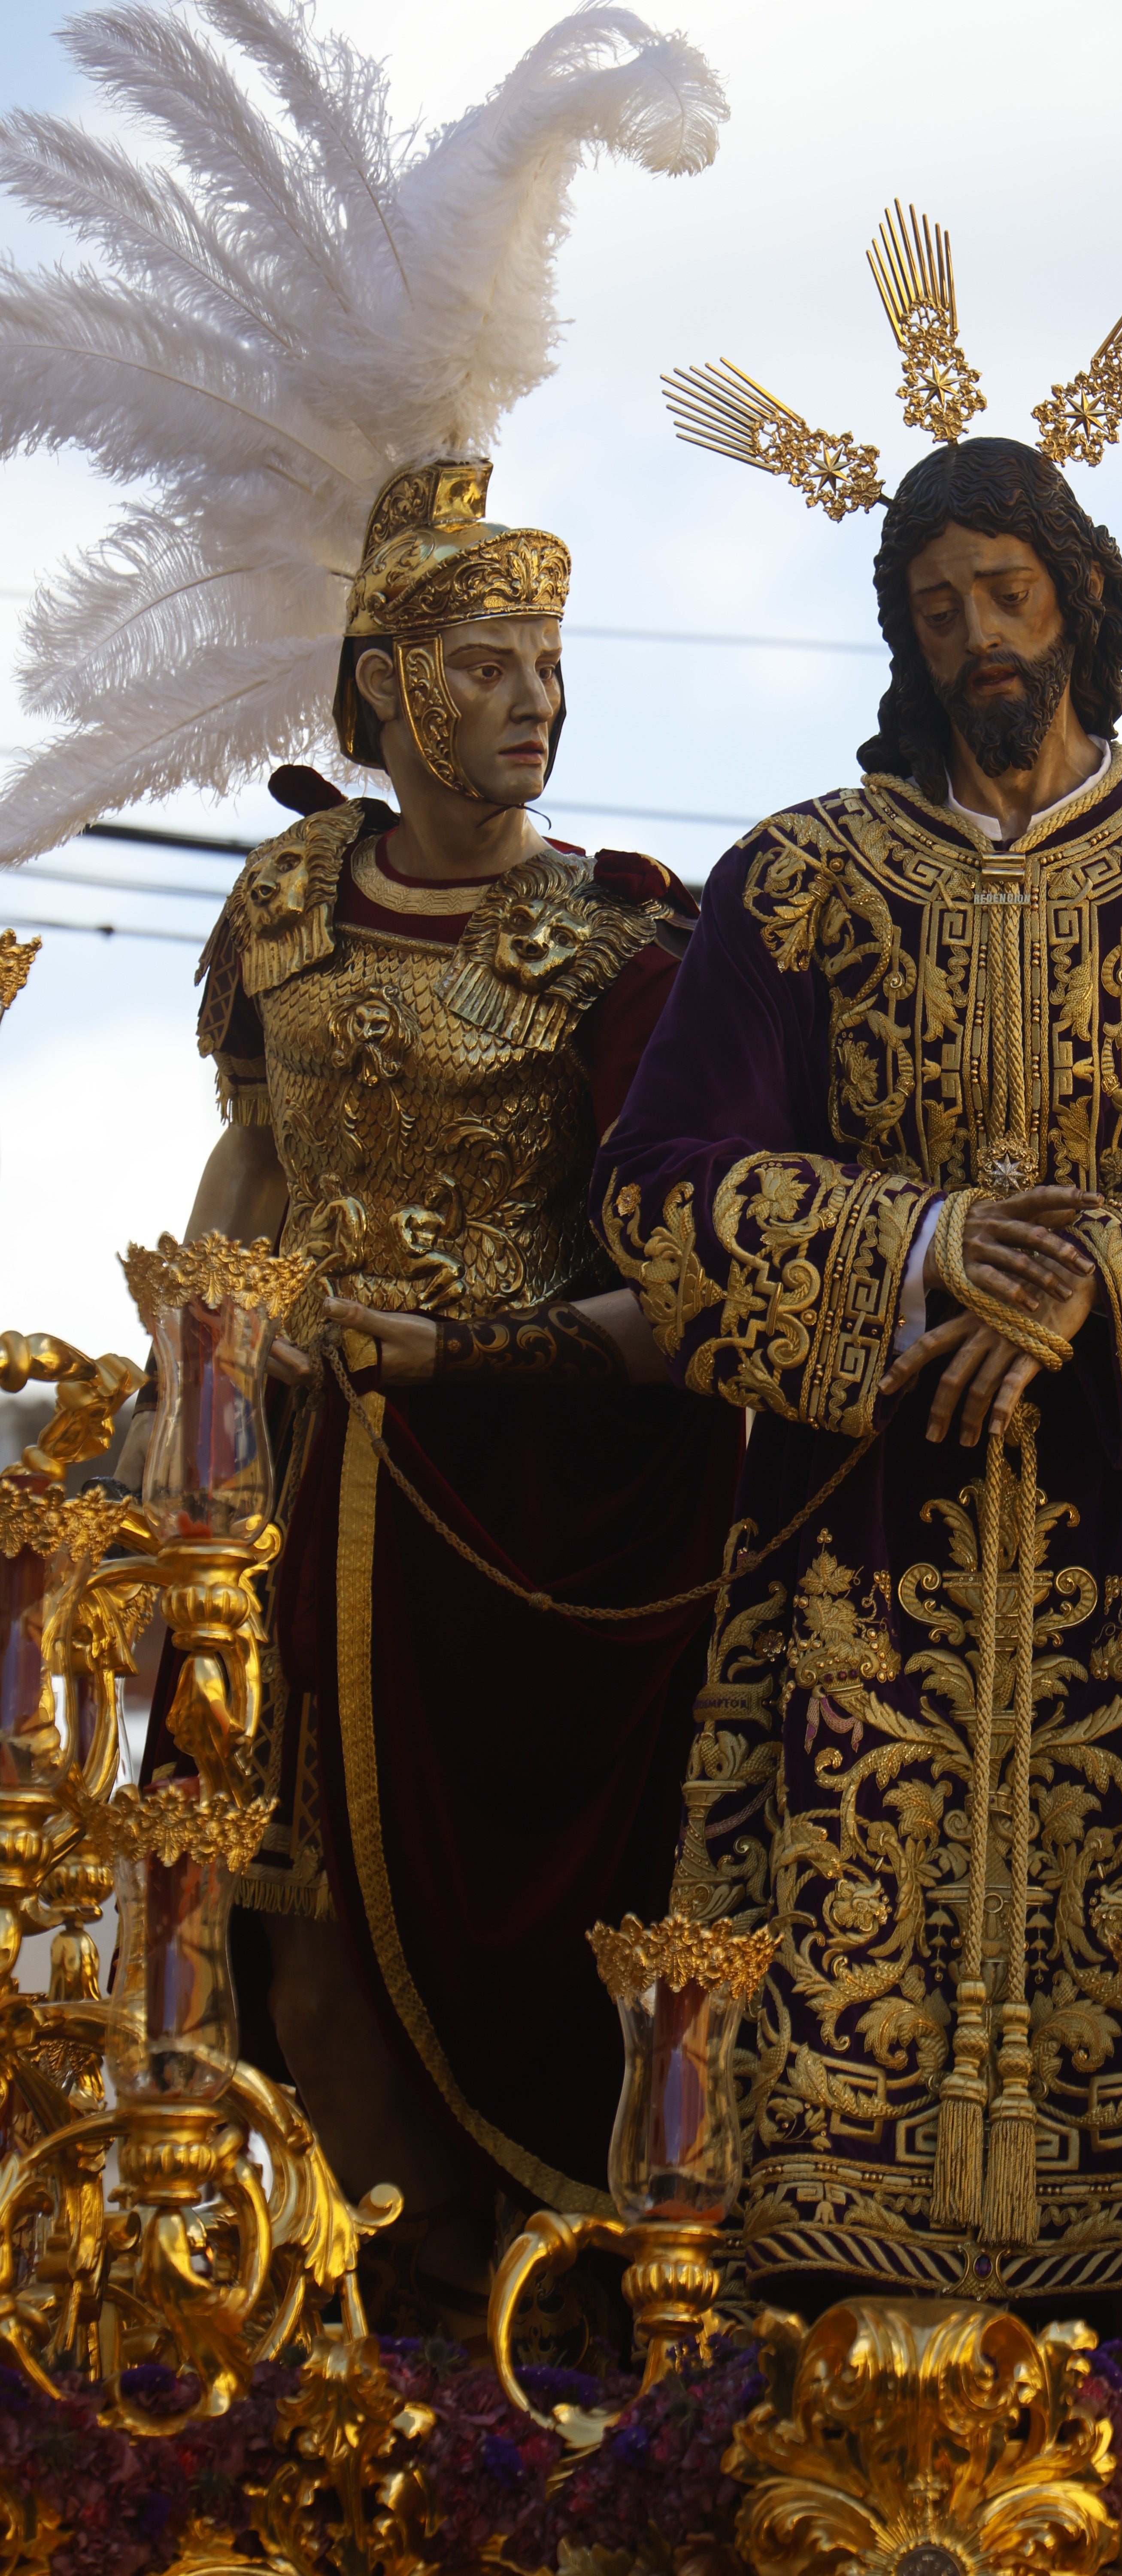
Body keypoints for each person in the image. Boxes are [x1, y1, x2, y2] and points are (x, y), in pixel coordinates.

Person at [2, 0, 734, 2337]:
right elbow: (241, 1184)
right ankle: (330, 2336)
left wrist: (482, 1342)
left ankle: (559, 2341)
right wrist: (163, 1427)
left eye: (547, 655)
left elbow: (693, 1279)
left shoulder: (629, 938)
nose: (530, 693)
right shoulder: (285, 911)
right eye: (486, 659)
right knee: (270, 1910)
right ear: (394, 684)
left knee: (555, 1935)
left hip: (552, 1519)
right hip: (303, 1494)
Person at [595, 428, 1122, 2309]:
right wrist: (927, 1247)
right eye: (938, 604)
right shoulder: (795, 880)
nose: (979, 635)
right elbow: (659, 1189)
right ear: (904, 633)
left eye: (1009, 593)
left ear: (1083, 602)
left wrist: (1094, 1283)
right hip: (865, 1533)